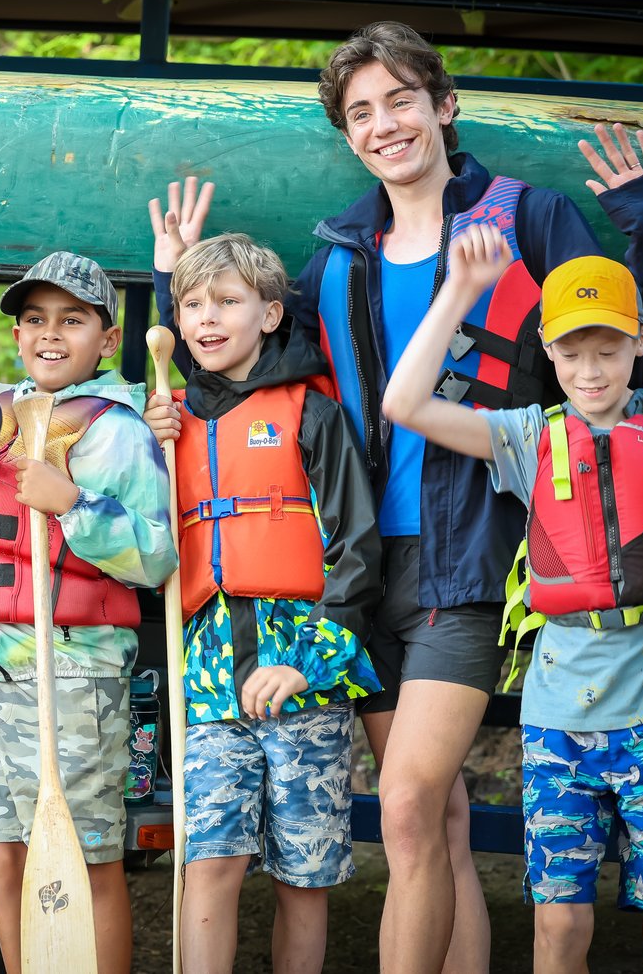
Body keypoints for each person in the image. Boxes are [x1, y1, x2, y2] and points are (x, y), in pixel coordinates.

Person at [152, 19, 643, 972]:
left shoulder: (526, 219)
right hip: (362, 572)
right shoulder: (342, 256)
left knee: (402, 805)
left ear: (443, 107)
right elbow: (252, 367)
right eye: (360, 112)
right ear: (349, 137)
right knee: (436, 819)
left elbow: (620, 347)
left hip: (471, 558)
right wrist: (173, 295)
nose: (384, 123)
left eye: (401, 99)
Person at [382, 233, 643, 974]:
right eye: (571, 352)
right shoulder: (528, 436)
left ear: (641, 341)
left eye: (609, 349)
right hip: (559, 724)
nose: (589, 371)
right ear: (547, 351)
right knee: (560, 929)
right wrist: (461, 291)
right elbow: (405, 402)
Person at [0, 244, 176, 974]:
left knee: (87, 858)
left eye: (72, 321)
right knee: (5, 858)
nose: (49, 333)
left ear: (105, 342)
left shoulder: (117, 432)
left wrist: (71, 502)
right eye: (35, 319)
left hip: (75, 677)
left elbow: (157, 557)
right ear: (15, 335)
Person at [142, 231, 382, 974]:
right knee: (209, 863)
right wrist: (150, 452)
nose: (206, 319)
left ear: (271, 315)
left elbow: (357, 550)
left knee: (301, 881)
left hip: (303, 666)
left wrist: (311, 663)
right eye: (191, 305)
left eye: (227, 302)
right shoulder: (165, 422)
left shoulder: (313, 416)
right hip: (209, 674)